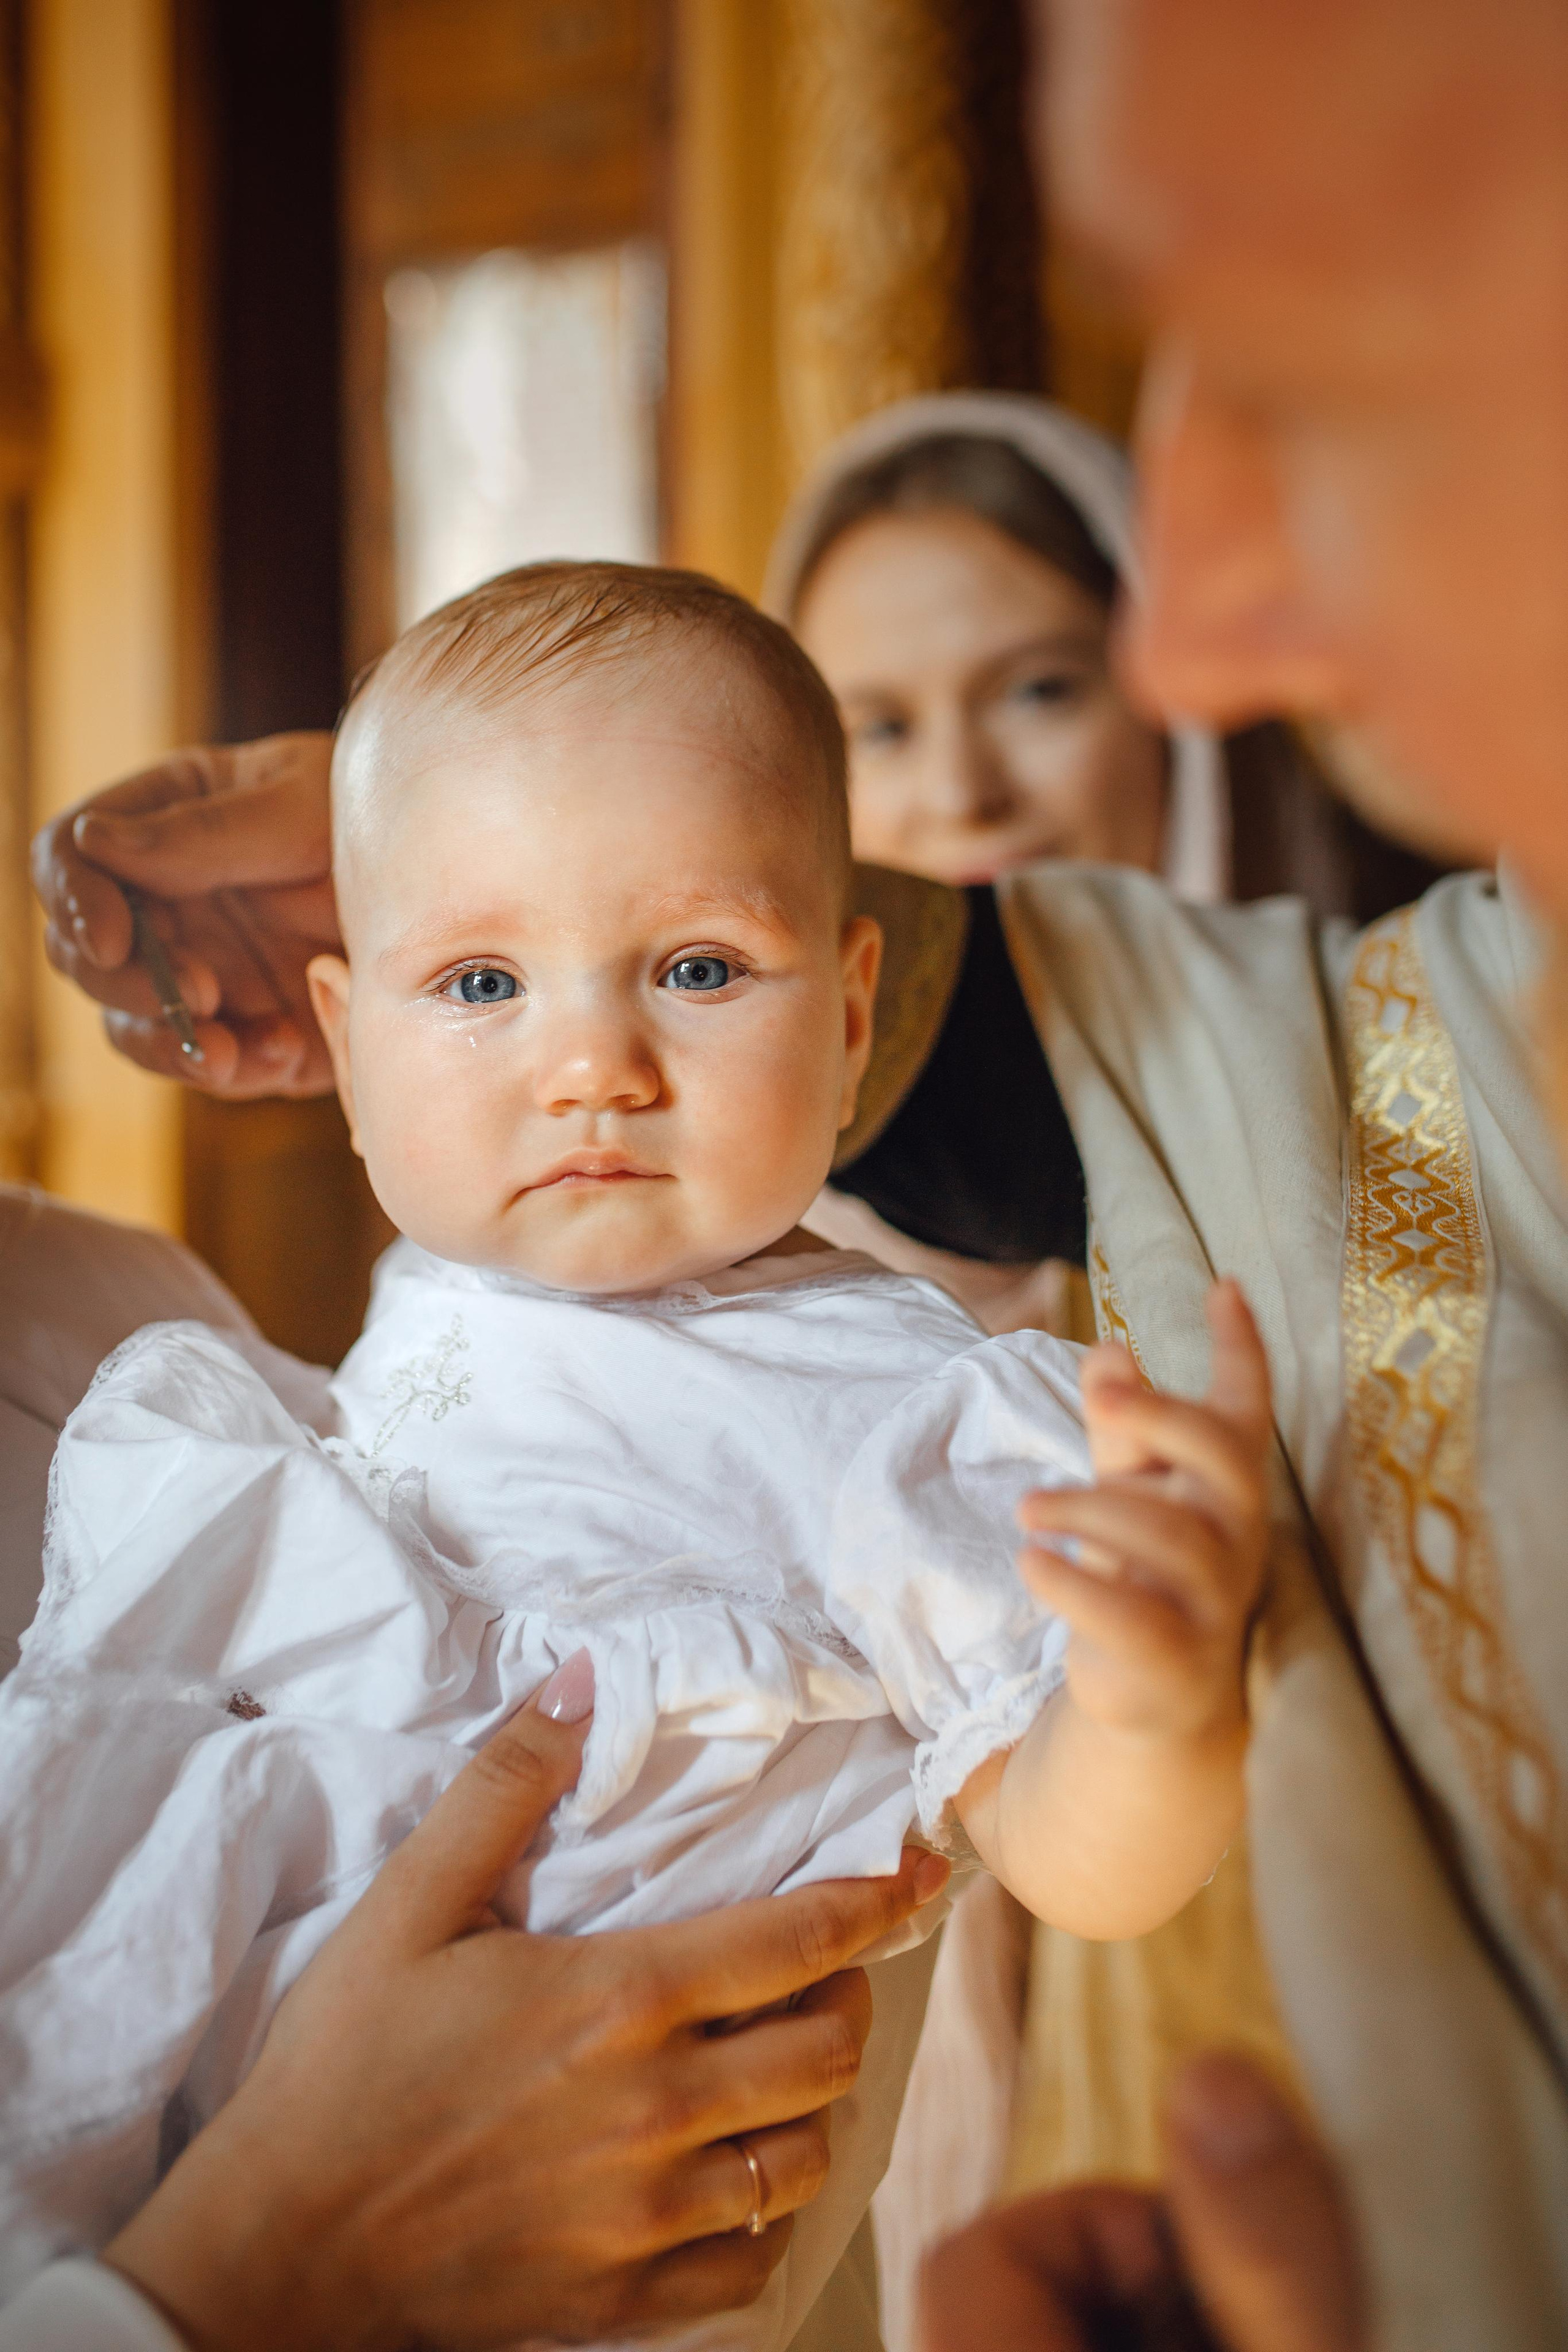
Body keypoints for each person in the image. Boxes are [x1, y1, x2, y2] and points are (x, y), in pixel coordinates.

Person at [5, 562, 1273, 2347]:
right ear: (351, 1056)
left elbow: (1079, 1858)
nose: (592, 1061)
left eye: (695, 968)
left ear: (848, 1022)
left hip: (584, 2214)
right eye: (480, 980)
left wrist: (1148, 1713)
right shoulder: (413, 1300)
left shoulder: (899, 1407)